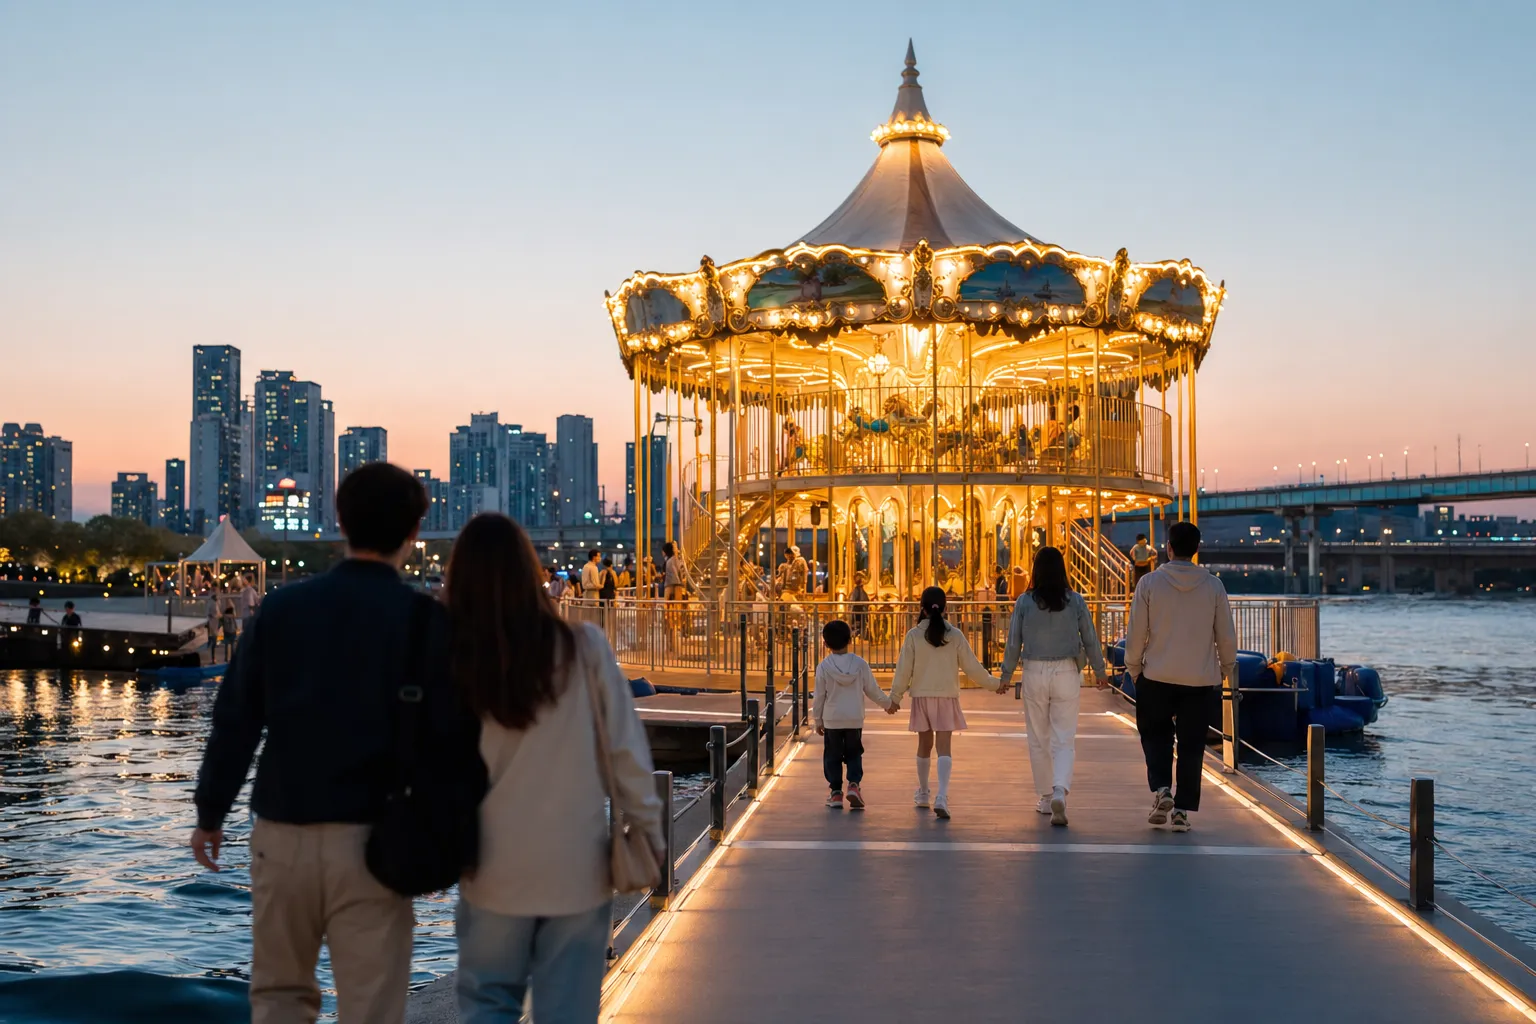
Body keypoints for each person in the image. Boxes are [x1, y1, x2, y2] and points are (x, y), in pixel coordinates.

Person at [190, 462, 486, 1023]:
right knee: (372, 1004)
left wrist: (211, 813)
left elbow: (236, 720)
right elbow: (454, 743)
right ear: (413, 532)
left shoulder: (281, 610)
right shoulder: (425, 622)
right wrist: (446, 845)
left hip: (282, 831)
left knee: (279, 996)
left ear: (340, 522)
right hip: (378, 840)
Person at [445, 513, 663, 1023]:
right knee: (566, 1012)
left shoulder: (454, 659)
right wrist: (648, 829)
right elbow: (625, 752)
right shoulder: (583, 649)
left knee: (487, 1004)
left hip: (490, 866)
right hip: (575, 867)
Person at [1125, 521, 1237, 833]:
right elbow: (1225, 636)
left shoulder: (1149, 583)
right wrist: (1226, 669)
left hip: (1157, 675)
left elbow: (1136, 634)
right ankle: (1182, 811)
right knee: (1191, 745)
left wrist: (1134, 669)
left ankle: (1162, 791)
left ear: (1168, 548)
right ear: (1197, 550)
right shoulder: (1213, 586)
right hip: (1200, 680)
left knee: (1155, 735)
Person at [997, 546, 1109, 827]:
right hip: (1067, 671)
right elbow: (1091, 638)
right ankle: (1060, 788)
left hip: (1034, 670)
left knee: (1038, 737)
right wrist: (1100, 670)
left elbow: (1013, 642)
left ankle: (1046, 797)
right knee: (1064, 736)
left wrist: (1005, 675)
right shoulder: (1075, 601)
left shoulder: (1024, 602)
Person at [887, 587, 999, 820]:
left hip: (921, 696)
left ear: (922, 608)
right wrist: (994, 684)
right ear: (946, 608)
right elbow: (972, 668)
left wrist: (895, 698)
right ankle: (942, 795)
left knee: (924, 745)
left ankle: (924, 792)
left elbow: (903, 670)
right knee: (944, 747)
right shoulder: (955, 635)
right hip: (947, 696)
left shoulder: (913, 635)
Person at [813, 619, 891, 810]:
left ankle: (836, 792)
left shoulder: (824, 667)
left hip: (832, 719)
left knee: (832, 756)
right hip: (854, 718)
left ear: (825, 643)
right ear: (850, 640)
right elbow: (872, 689)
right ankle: (854, 785)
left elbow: (819, 696)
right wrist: (888, 704)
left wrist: (817, 720)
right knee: (854, 753)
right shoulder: (860, 664)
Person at [848, 571, 870, 639]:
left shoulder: (857, 590)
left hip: (859, 611)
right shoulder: (857, 590)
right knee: (858, 627)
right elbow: (860, 600)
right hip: (858, 612)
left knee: (859, 626)